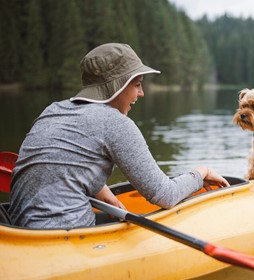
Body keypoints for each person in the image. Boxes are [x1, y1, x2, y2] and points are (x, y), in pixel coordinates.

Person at [8, 43, 229, 229]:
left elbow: (62, 164)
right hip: (66, 235)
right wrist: (201, 172)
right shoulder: (115, 123)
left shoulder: (54, 110)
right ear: (118, 86)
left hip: (18, 230)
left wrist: (101, 190)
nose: (141, 94)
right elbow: (165, 195)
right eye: (137, 85)